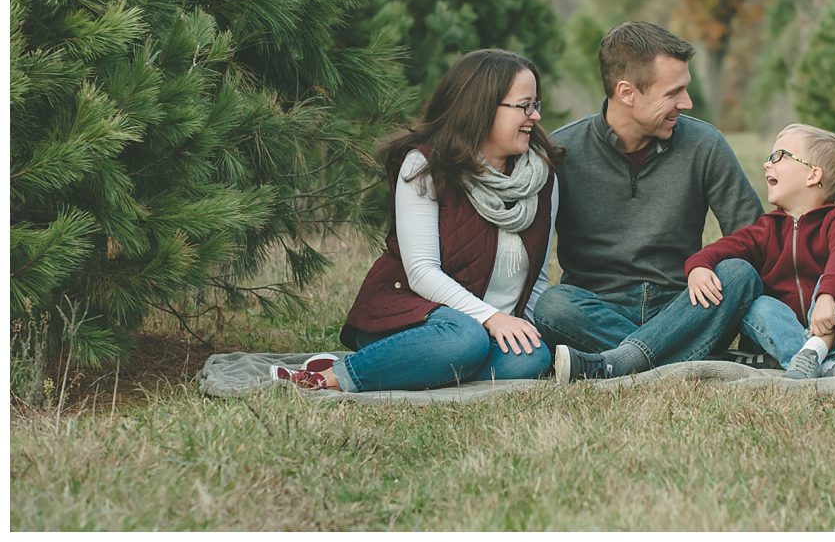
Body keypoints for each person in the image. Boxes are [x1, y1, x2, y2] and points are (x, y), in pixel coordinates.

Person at [273, 49, 561, 392]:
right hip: (410, 317)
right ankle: (335, 376)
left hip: (486, 332)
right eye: (524, 106)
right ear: (482, 106)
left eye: (536, 104)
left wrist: (520, 329)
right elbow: (422, 272)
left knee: (532, 357)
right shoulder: (425, 166)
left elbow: (537, 277)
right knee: (464, 338)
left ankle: (415, 367)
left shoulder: (541, 178)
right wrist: (491, 318)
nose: (536, 117)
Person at [533, 23, 766, 382]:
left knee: (739, 274)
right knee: (553, 306)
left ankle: (619, 362)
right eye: (673, 93)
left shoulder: (704, 144)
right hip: (598, 307)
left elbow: (755, 236)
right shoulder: (563, 153)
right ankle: (681, 354)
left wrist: (708, 265)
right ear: (627, 92)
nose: (686, 103)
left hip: (685, 302)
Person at [684, 124, 835, 379]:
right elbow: (727, 247)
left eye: (778, 156)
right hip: (786, 341)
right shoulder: (767, 228)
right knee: (756, 304)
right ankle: (822, 367)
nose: (766, 164)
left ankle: (816, 353)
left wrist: (828, 296)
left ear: (813, 175)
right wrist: (699, 265)